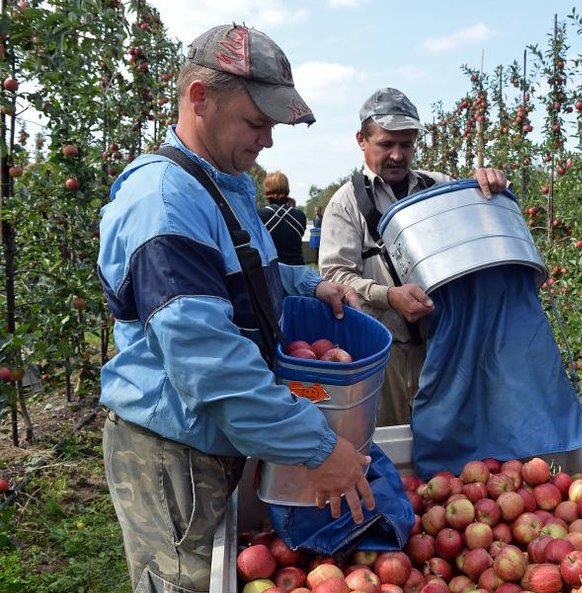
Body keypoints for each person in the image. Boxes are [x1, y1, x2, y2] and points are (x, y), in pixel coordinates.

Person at [96, 24, 375, 593]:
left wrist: (306, 283)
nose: (268, 141)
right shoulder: (165, 202)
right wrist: (320, 448)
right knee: (186, 582)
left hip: (213, 441)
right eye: (257, 121)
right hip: (174, 453)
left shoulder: (220, 186)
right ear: (200, 98)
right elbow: (210, 364)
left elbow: (243, 275)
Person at [319, 88, 508, 427]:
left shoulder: (438, 189)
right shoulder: (346, 204)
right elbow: (335, 276)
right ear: (362, 139)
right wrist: (389, 296)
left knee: (447, 444)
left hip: (442, 348)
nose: (396, 155)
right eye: (386, 144)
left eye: (405, 145)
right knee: (389, 441)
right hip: (383, 352)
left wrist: (489, 182)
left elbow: (479, 211)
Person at [259, 170, 308, 264]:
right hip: (297, 270)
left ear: (266, 189)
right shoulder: (300, 216)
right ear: (287, 189)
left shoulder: (260, 215)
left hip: (273, 270)